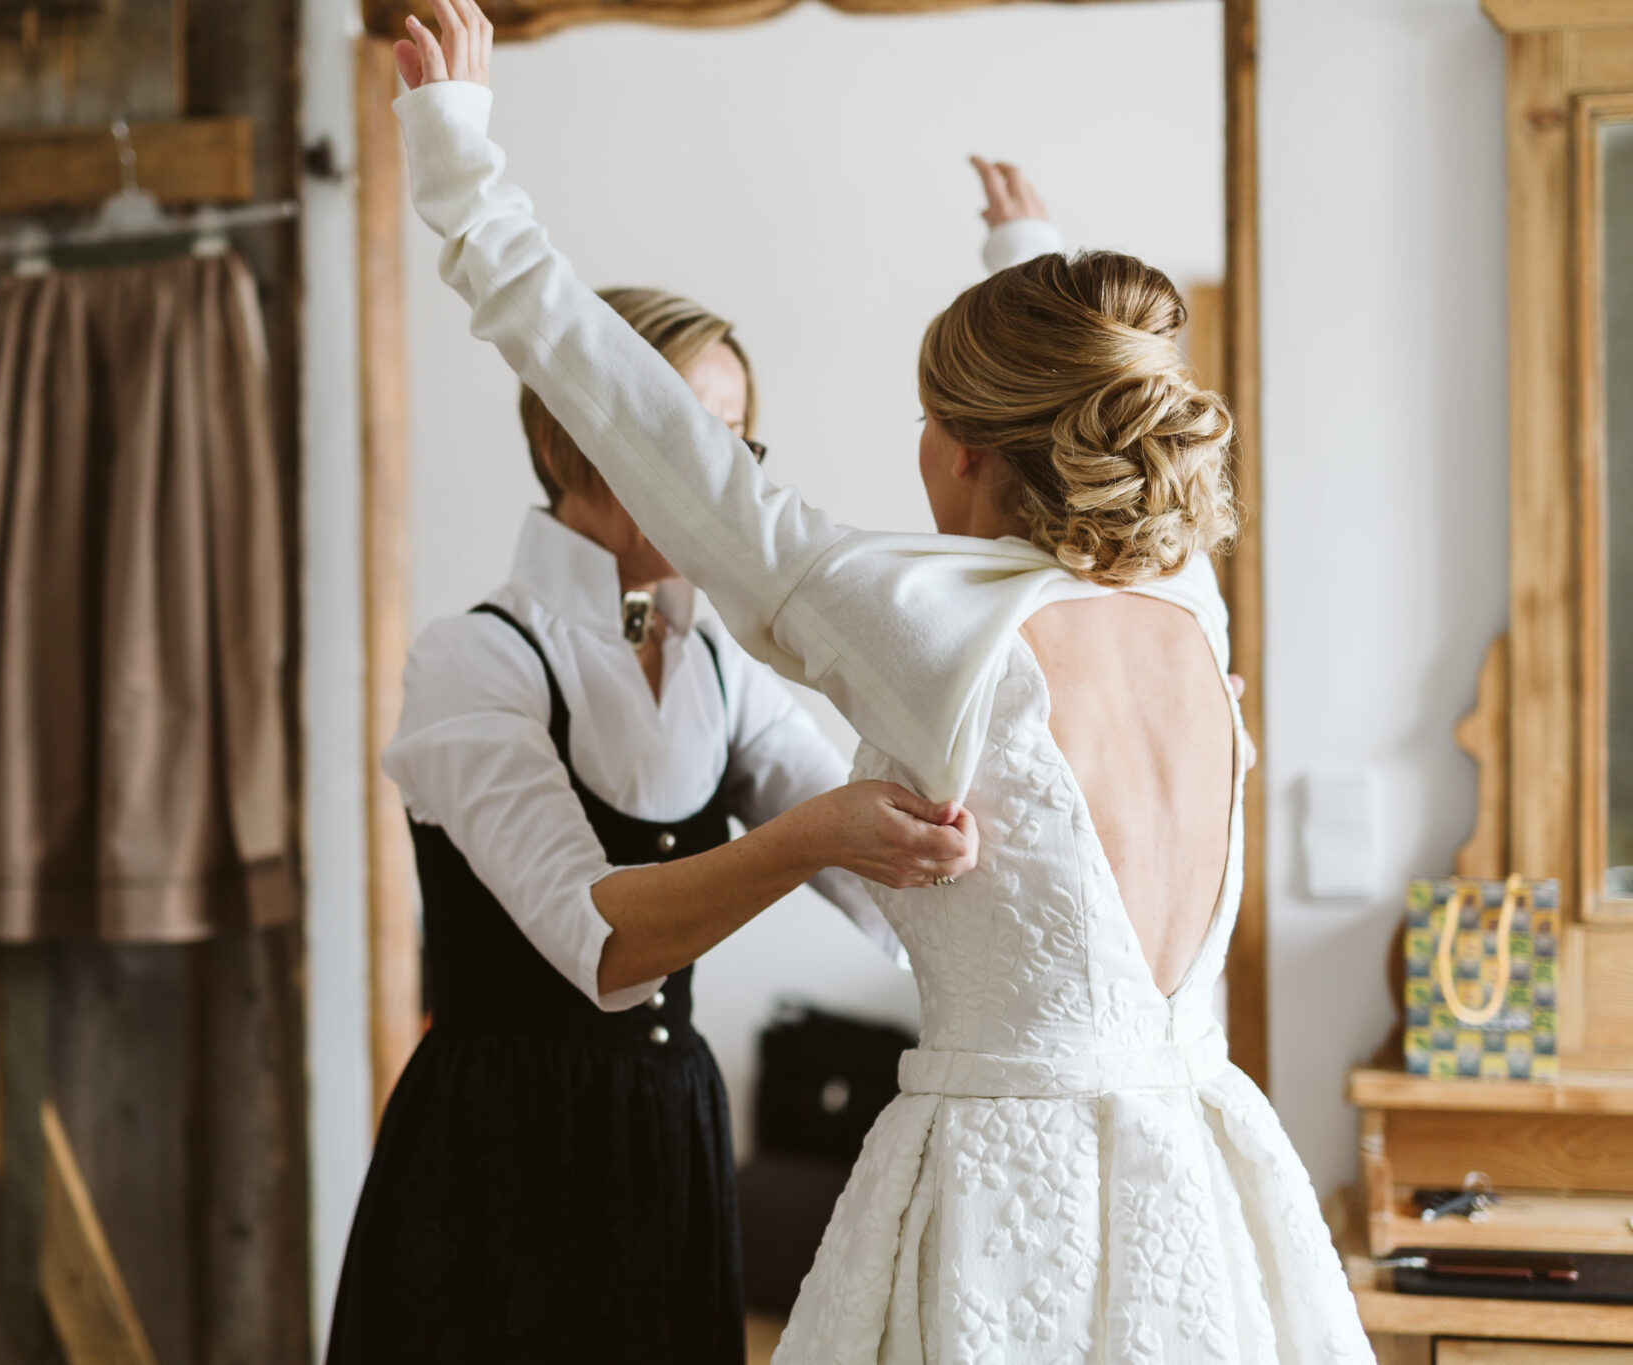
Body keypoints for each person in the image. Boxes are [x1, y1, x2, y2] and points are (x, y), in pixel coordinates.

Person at [388, 6, 1376, 1361]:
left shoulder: (927, 622)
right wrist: (1031, 267)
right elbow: (1090, 412)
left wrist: (460, 173)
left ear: (971, 450)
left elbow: (646, 425)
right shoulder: (1191, 611)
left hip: (1004, 1205)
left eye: (926, 421)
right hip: (1196, 1181)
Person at [325, 278, 978, 1363]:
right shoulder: (474, 659)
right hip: (498, 1148)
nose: (718, 481)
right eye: (683, 436)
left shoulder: (721, 664)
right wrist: (809, 835)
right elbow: (604, 940)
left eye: (735, 446)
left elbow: (884, 877)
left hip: (669, 1132)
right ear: (574, 433)